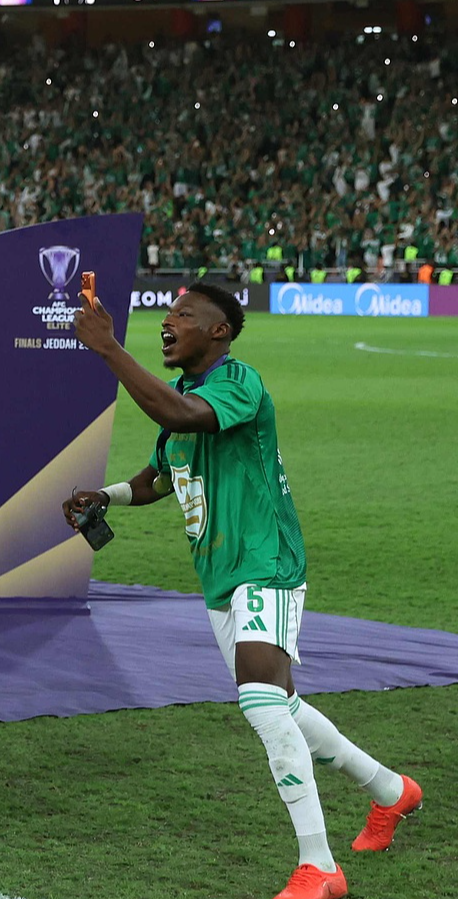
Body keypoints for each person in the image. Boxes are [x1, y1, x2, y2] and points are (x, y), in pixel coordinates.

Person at [68, 284, 421, 899]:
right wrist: (108, 497)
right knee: (281, 705)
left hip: (266, 561)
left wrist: (108, 350)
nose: (168, 323)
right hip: (220, 576)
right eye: (167, 315)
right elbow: (159, 475)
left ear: (219, 333)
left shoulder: (238, 383)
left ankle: (320, 867)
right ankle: (392, 792)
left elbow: (179, 419)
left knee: (259, 701)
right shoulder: (183, 397)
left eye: (183, 316)